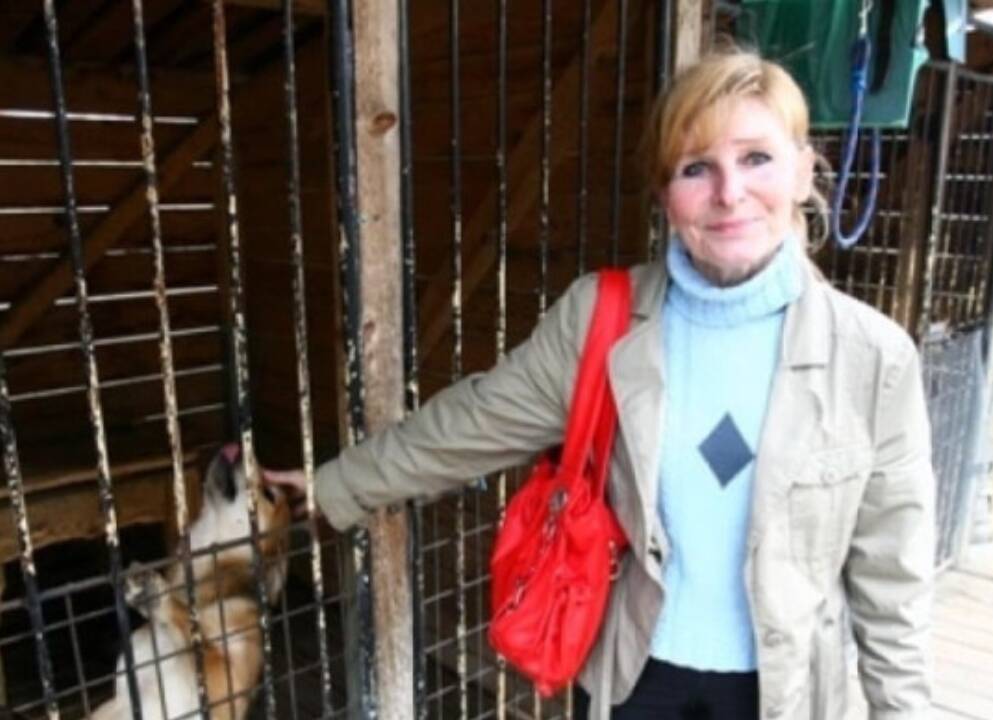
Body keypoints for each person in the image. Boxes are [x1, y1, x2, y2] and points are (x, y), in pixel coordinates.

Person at [266, 49, 934, 720]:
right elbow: (472, 423)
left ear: (803, 169)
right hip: (634, 680)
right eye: (696, 168)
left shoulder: (873, 359)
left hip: (784, 695)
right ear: (665, 195)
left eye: (756, 158)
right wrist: (337, 486)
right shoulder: (604, 320)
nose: (729, 193)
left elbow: (893, 576)